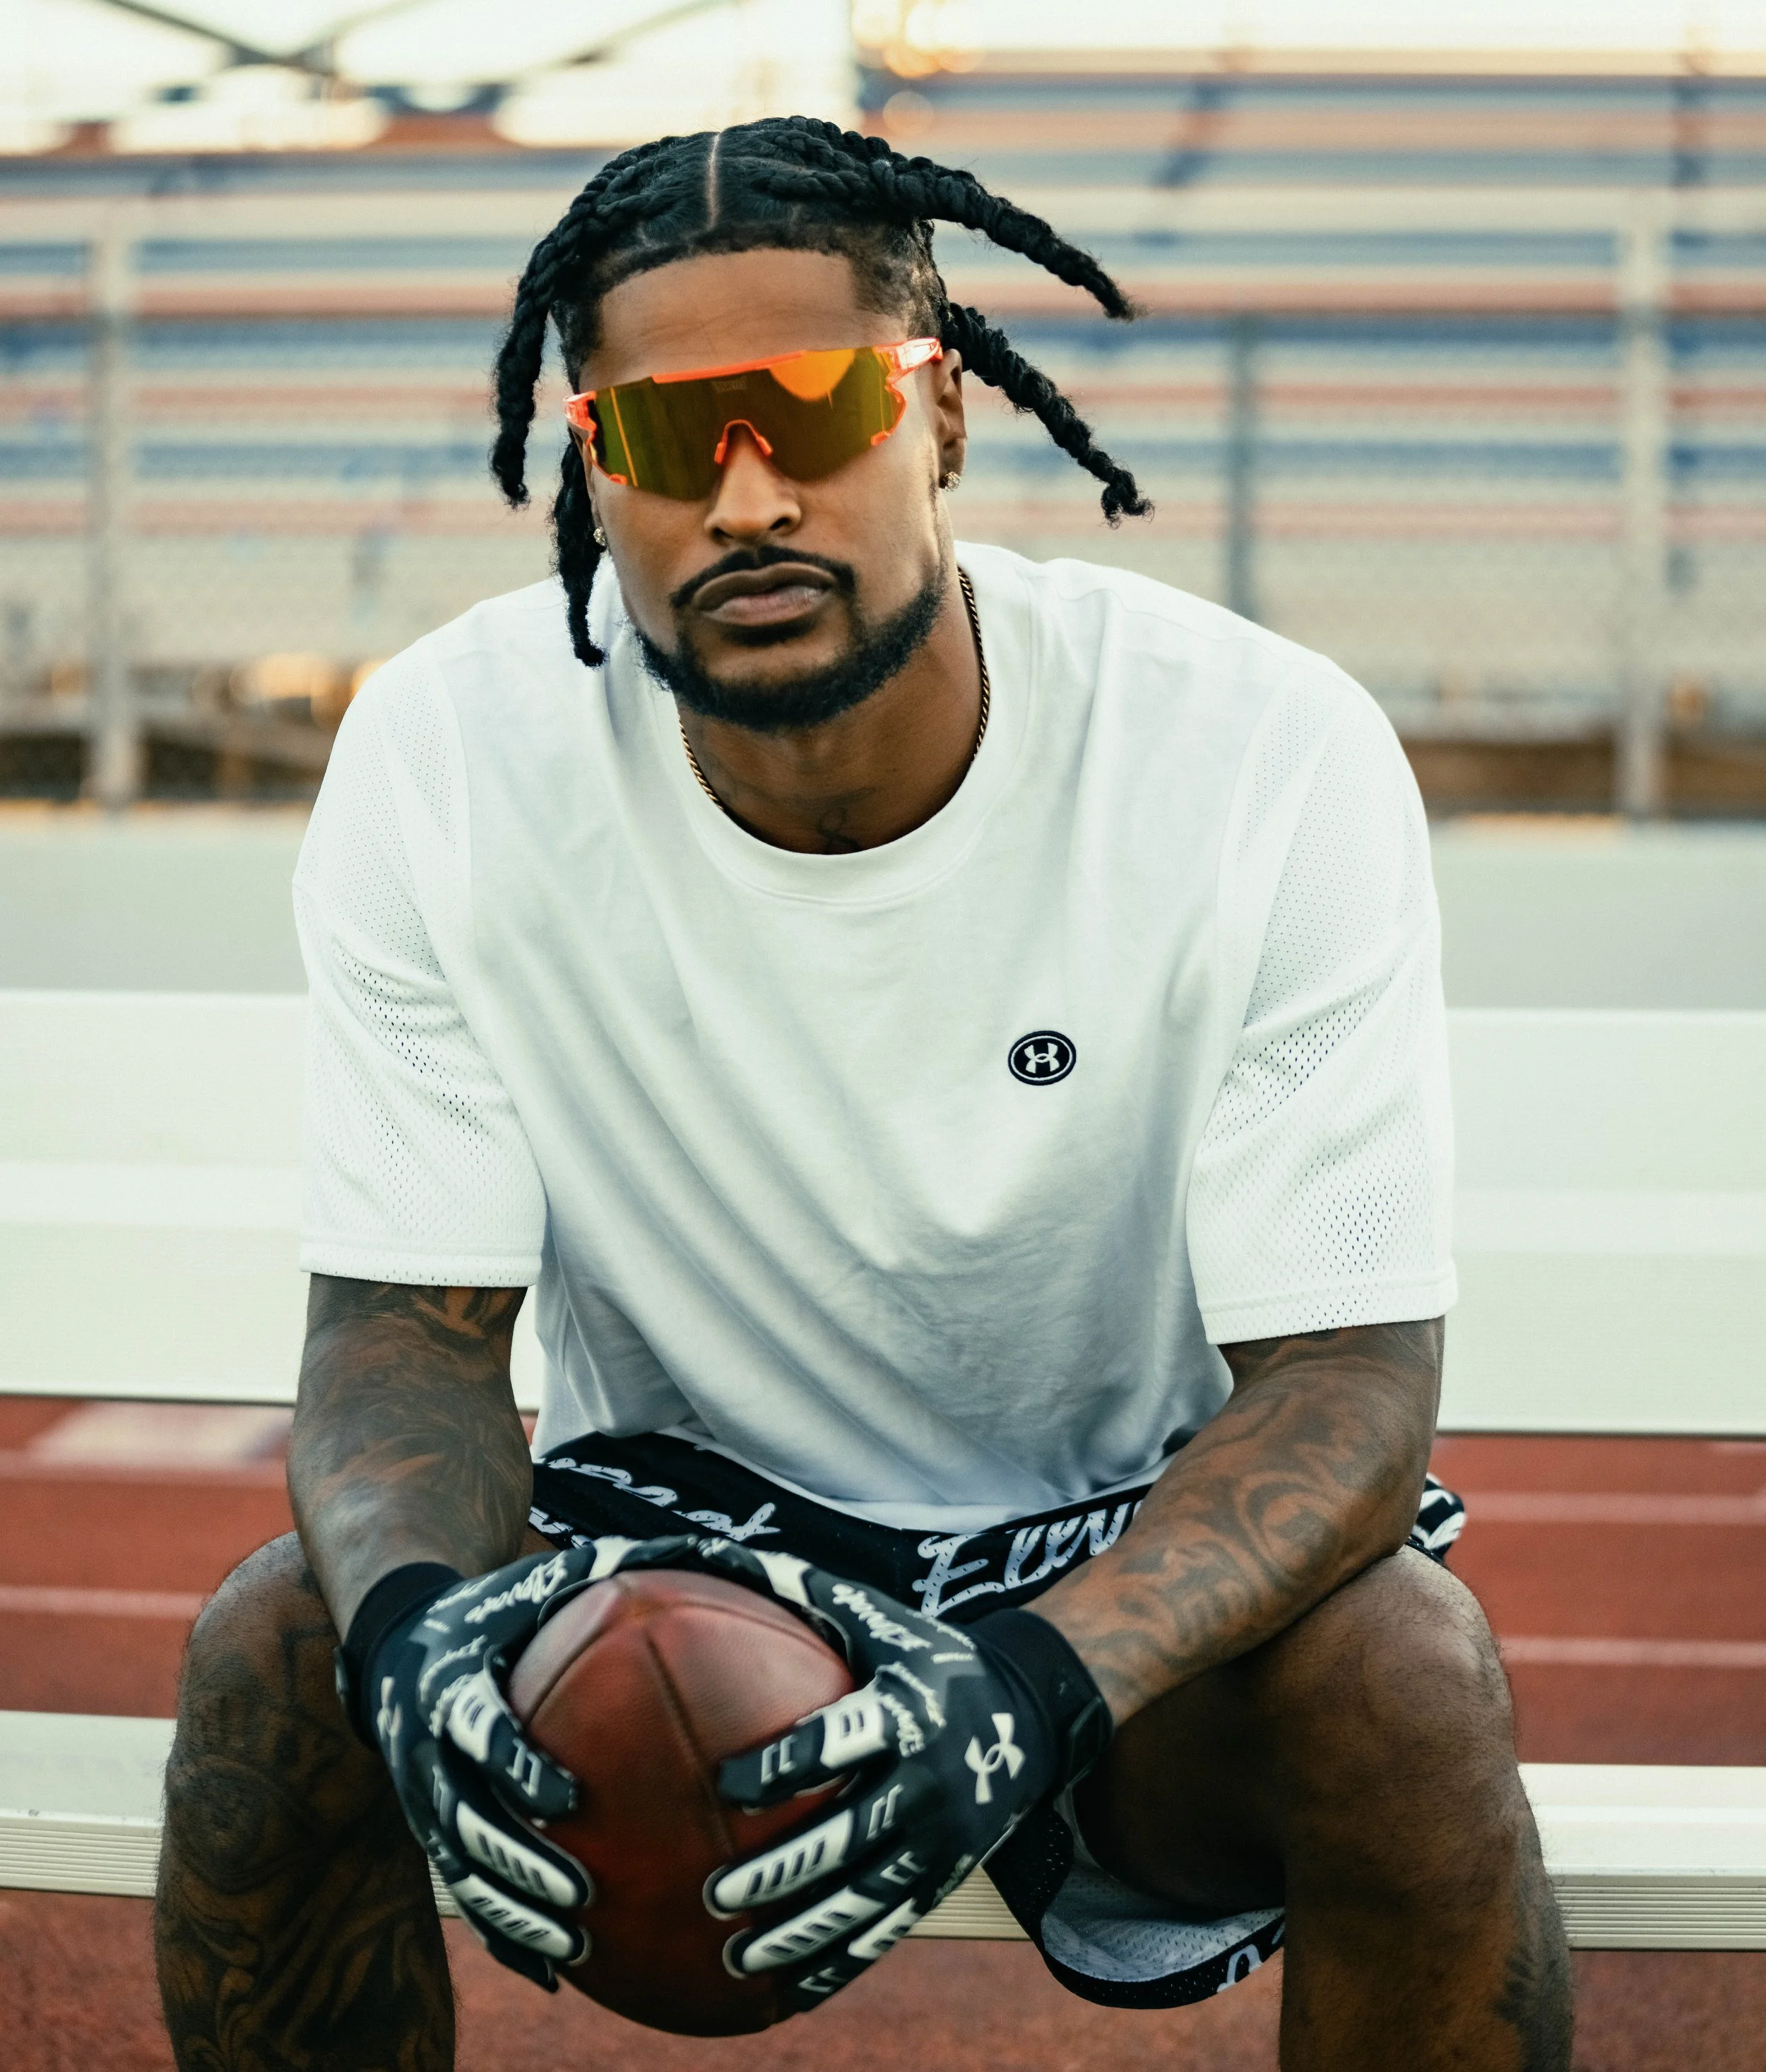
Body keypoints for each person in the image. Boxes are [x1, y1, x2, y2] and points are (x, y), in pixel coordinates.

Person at [154, 117, 1571, 2071]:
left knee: (1406, 1678)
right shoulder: (450, 751)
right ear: (594, 463)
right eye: (666, 434)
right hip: (678, 1527)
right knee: (277, 1652)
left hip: (1113, 1552)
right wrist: (407, 1644)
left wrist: (1034, 1686)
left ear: (944, 420)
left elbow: (1344, 1380)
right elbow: (404, 1331)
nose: (745, 498)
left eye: (814, 407)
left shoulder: (1254, 751)